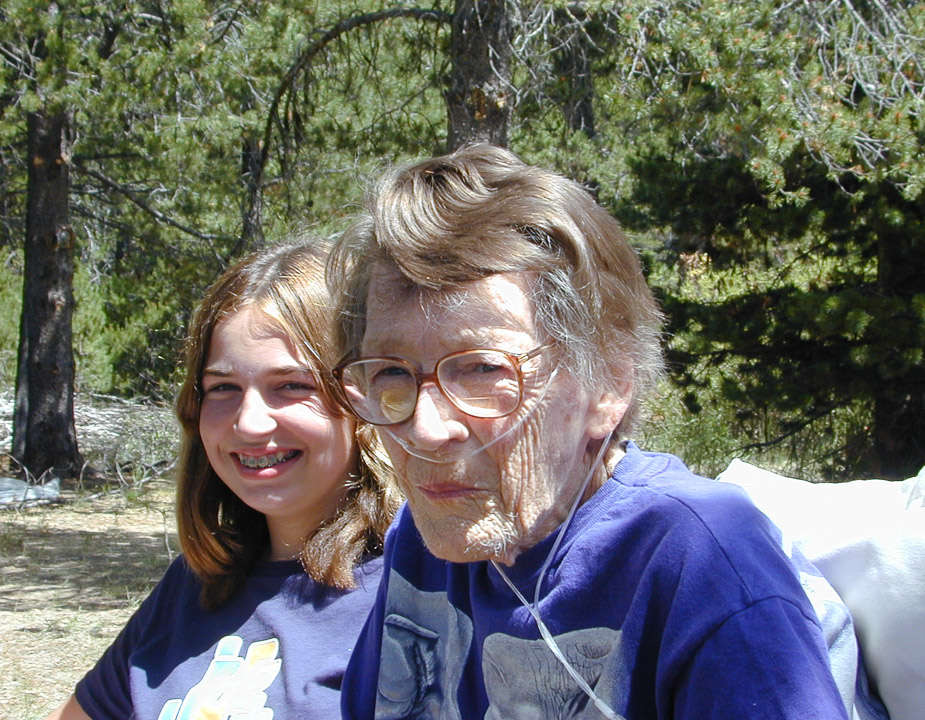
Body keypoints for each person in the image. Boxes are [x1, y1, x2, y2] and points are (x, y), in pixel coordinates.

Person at [328, 144, 861, 719]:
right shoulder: (425, 537)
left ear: (607, 384)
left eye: (483, 369)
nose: (425, 430)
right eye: (388, 371)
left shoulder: (699, 562)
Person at [45, 239, 402, 720]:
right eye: (223, 388)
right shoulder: (195, 585)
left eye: (293, 385)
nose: (250, 423)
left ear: (364, 400)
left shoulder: (412, 593)